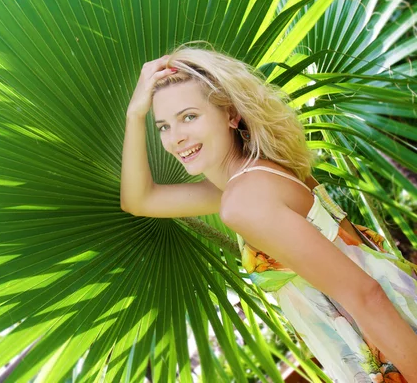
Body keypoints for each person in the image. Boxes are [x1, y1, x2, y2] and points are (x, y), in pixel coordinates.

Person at [120, 44, 417, 382]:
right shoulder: (257, 173)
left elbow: (366, 296)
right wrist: (135, 114)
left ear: (231, 114)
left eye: (189, 116)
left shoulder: (244, 202)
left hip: (393, 345)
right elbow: (139, 201)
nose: (176, 138)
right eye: (163, 126)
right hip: (399, 319)